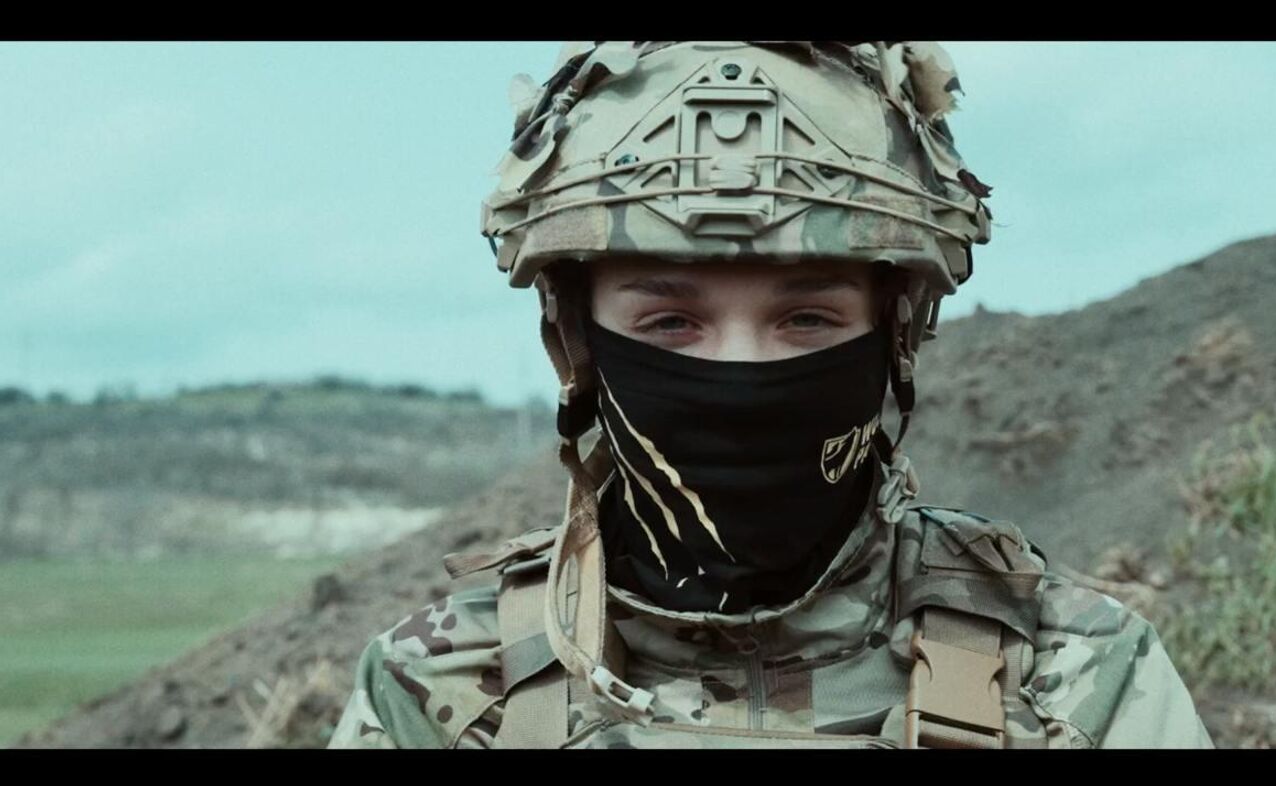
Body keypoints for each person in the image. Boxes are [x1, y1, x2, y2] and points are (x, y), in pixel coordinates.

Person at [328, 40, 1213, 749]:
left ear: (895, 335)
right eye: (671, 323)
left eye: (807, 320)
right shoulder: (442, 685)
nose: (742, 375)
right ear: (579, 341)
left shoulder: (1068, 674)